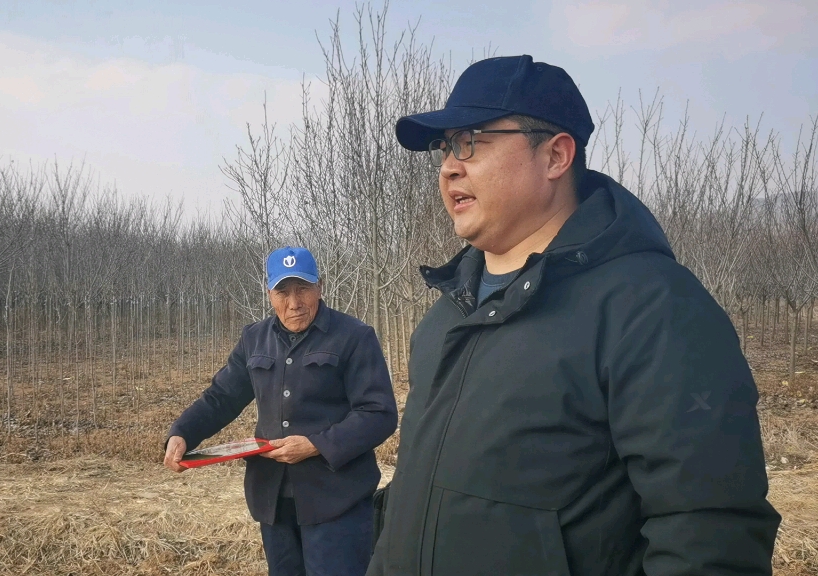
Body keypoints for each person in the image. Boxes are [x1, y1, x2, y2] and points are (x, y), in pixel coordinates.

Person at [367, 55, 780, 575]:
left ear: (556, 156)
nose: (450, 164)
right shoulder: (447, 314)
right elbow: (414, 499)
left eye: (471, 140)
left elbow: (709, 534)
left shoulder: (653, 308)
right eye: (444, 146)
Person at [165, 246, 398, 576]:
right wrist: (182, 432)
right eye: (283, 291)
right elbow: (222, 397)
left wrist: (316, 444)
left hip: (336, 500)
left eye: (303, 288)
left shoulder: (354, 337)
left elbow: (379, 413)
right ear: (269, 293)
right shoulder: (254, 339)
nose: (294, 303)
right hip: (273, 499)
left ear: (321, 286)